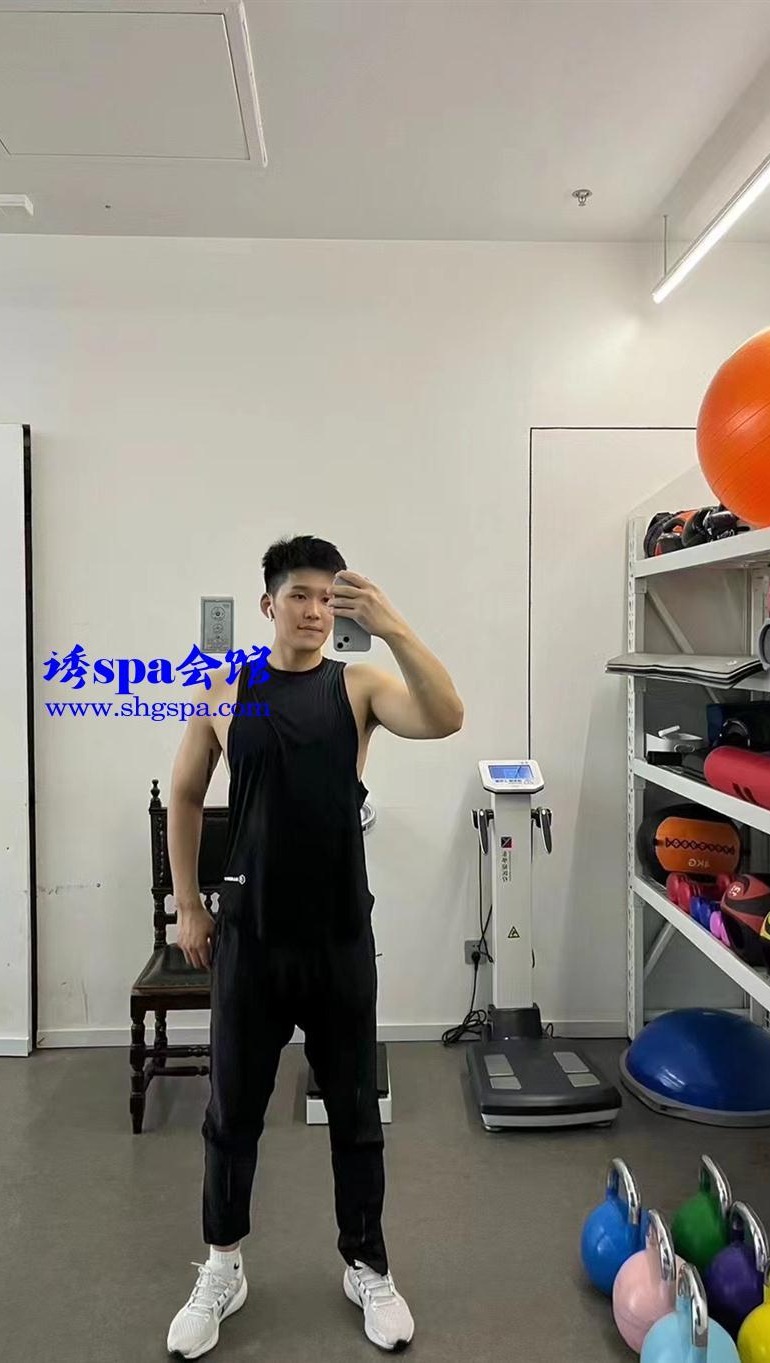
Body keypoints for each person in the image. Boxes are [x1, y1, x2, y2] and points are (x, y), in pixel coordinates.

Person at [165, 534, 464, 1359]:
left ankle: (367, 1264)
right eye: (299, 594)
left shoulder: (358, 685)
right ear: (268, 605)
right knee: (232, 1113)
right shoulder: (225, 687)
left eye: (327, 596)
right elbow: (185, 794)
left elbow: (447, 716)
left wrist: (392, 623)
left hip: (337, 938)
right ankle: (222, 1266)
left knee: (356, 1113)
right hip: (251, 940)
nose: (314, 609)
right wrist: (188, 904)